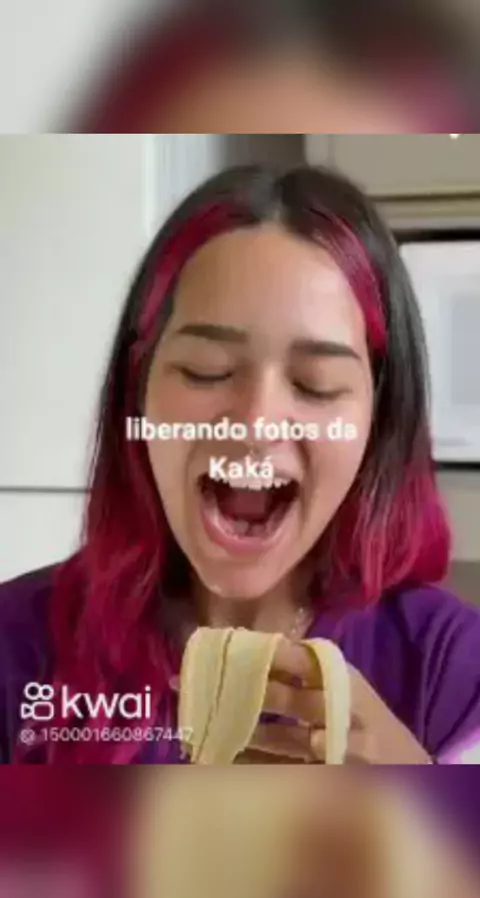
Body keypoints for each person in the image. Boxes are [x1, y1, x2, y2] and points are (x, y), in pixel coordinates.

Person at [1, 163, 480, 767]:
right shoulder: (15, 647)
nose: (255, 424)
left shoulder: (454, 670)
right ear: (138, 389)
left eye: (315, 383)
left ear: (377, 419)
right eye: (207, 371)